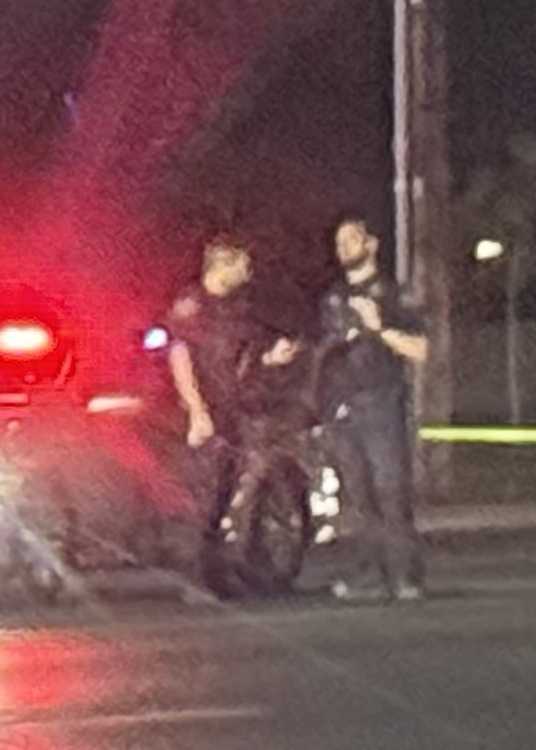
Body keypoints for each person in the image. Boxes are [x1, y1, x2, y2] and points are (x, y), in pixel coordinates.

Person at [313, 216, 429, 601]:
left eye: (351, 239)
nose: (343, 247)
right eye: (339, 241)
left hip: (381, 405)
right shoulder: (332, 297)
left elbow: (421, 350)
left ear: (372, 244)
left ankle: (406, 577)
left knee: (390, 490)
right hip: (342, 410)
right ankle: (369, 574)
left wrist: (377, 327)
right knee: (357, 497)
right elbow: (323, 354)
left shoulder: (395, 294)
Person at [165, 232, 305, 545]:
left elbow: (249, 353)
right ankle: (193, 561)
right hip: (204, 414)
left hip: (235, 413)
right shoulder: (193, 305)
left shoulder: (239, 307)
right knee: (204, 495)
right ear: (223, 264)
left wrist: (272, 355)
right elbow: (180, 356)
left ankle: (223, 565)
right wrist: (197, 411)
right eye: (243, 264)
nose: (249, 271)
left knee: (227, 490)